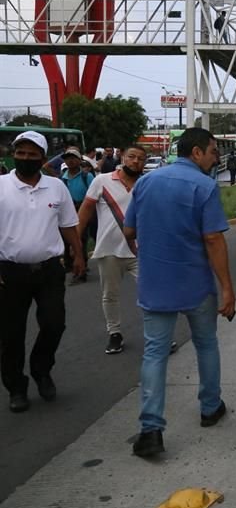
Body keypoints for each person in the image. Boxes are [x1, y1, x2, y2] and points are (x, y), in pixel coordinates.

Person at [124, 127, 235, 457]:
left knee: (155, 352)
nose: (216, 158)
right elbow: (213, 240)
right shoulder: (205, 186)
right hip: (195, 285)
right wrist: (227, 288)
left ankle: (151, 430)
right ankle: (210, 408)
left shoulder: (145, 182)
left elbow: (129, 229)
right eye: (213, 152)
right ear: (197, 153)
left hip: (155, 283)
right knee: (205, 344)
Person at [0, 131, 85, 413]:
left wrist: (79, 256)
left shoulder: (56, 187)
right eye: (20, 153)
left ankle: (41, 370)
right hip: (9, 272)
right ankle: (16, 387)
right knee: (11, 334)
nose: (25, 158)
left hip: (49, 270)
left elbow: (68, 225)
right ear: (14, 155)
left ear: (43, 158)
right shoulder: (1, 186)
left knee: (54, 323)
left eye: (32, 154)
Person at [78, 146, 147, 355]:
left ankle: (156, 334)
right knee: (110, 295)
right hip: (109, 250)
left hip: (140, 250)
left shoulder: (146, 184)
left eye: (141, 159)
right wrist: (76, 245)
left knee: (150, 293)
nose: (136, 162)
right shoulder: (102, 181)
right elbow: (86, 209)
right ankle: (114, 333)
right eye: (132, 157)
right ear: (122, 158)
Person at [60, 148, 93, 284]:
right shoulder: (62, 178)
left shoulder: (87, 176)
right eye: (67, 158)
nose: (70, 161)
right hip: (67, 212)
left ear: (79, 160)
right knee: (67, 241)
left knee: (81, 240)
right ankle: (71, 266)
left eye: (73, 158)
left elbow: (93, 195)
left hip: (82, 211)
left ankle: (81, 269)